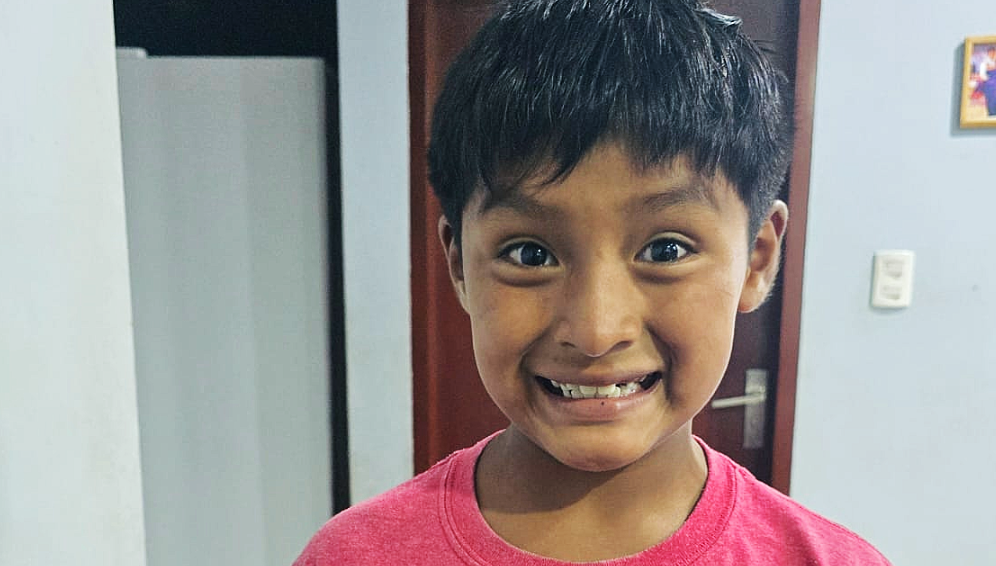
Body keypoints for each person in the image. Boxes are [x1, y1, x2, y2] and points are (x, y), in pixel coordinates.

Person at [294, 1, 891, 563]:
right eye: (530, 254)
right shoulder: (354, 555)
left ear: (756, 260)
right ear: (459, 265)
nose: (596, 331)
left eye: (666, 249)